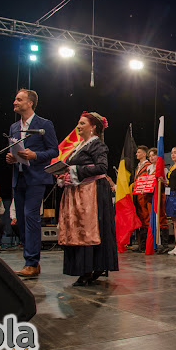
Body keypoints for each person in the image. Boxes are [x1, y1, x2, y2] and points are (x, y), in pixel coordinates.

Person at [57, 112, 118, 286]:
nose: (78, 126)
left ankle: (92, 268)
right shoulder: (79, 146)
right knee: (78, 230)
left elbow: (101, 167)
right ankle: (84, 268)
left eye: (82, 123)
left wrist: (74, 171)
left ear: (93, 127)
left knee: (89, 230)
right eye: (78, 123)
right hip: (78, 194)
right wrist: (62, 175)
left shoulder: (97, 145)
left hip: (92, 194)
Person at [5, 89, 58, 278]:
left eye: (19, 99)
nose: (15, 102)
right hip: (18, 178)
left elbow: (54, 151)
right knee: (20, 220)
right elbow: (15, 148)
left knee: (30, 217)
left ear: (30, 103)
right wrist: (12, 158)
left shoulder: (44, 124)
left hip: (36, 178)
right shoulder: (13, 127)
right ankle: (32, 261)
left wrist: (35, 155)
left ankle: (32, 262)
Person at [148, 148, 171, 254]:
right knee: (151, 218)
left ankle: (165, 245)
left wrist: (163, 181)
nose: (151, 157)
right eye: (150, 156)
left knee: (162, 218)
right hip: (150, 196)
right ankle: (154, 243)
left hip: (160, 195)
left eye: (153, 155)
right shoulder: (149, 168)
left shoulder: (163, 169)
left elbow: (167, 183)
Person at [134, 145, 153, 252]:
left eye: (139, 152)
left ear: (144, 154)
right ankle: (141, 244)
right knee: (140, 218)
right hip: (137, 195)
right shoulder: (138, 166)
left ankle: (146, 244)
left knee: (146, 218)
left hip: (145, 195)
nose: (137, 154)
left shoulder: (148, 166)